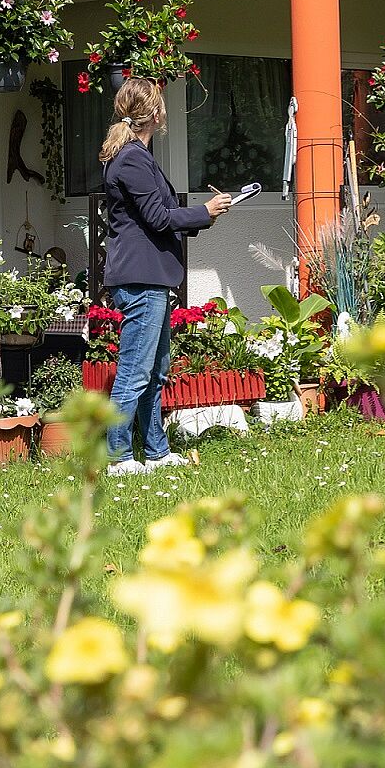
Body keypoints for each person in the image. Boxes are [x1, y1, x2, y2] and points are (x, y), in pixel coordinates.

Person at [99, 78, 232, 476]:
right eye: (161, 105)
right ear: (154, 113)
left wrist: (203, 215)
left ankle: (156, 451)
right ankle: (119, 457)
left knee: (154, 372)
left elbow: (157, 212)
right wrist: (204, 212)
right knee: (136, 372)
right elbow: (157, 217)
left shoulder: (132, 154)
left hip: (148, 277)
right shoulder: (132, 159)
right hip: (141, 279)